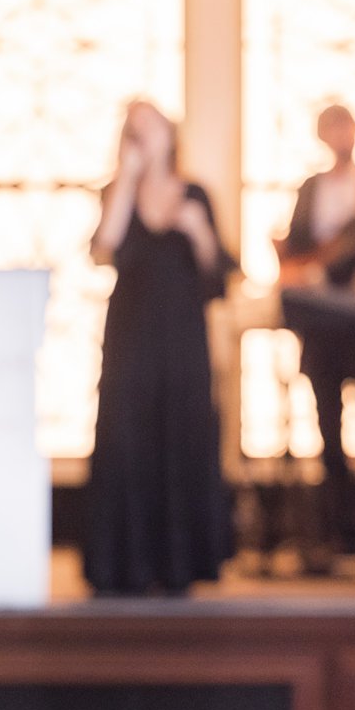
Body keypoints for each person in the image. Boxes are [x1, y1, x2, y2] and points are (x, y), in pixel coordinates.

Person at [84, 100, 234, 596]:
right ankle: (121, 563)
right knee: (126, 439)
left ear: (171, 135)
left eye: (151, 128)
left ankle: (180, 563)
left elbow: (220, 274)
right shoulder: (117, 193)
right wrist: (126, 179)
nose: (143, 138)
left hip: (182, 341)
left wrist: (199, 232)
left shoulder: (195, 195)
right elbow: (103, 247)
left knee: (182, 437)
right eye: (134, 131)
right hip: (130, 338)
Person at [276, 104, 355, 559]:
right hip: (320, 325)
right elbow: (298, 243)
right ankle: (337, 531)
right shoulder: (311, 188)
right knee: (327, 425)